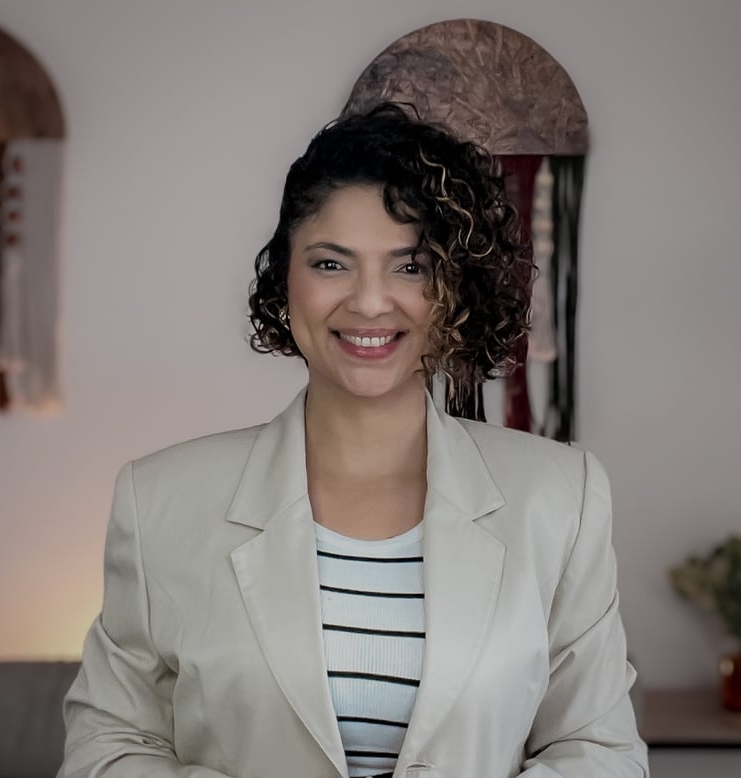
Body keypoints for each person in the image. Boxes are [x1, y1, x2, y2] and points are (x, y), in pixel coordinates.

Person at [59, 104, 649, 778]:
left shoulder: (560, 498)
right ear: (286, 281)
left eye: (410, 266)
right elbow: (108, 748)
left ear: (456, 291)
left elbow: (599, 752)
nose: (370, 302)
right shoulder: (158, 500)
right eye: (332, 263)